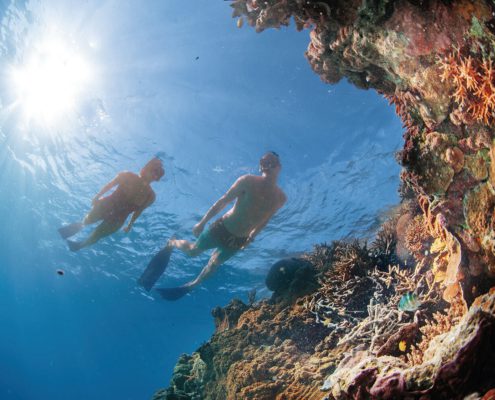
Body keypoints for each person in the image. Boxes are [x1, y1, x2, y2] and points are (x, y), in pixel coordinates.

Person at [150, 152, 286, 300]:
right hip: (221, 228)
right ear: (260, 167)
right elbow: (223, 201)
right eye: (263, 162)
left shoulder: (280, 198)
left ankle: (192, 285)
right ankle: (172, 242)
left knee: (214, 264)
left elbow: (264, 220)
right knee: (193, 252)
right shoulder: (247, 180)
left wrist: (251, 238)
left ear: (279, 167)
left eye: (272, 161)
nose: (267, 164)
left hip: (238, 240)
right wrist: (202, 222)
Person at [58, 158, 164, 251]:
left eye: (158, 174)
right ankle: (76, 228)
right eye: (154, 170)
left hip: (118, 220)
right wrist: (97, 196)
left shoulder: (150, 196)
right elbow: (110, 185)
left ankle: (78, 246)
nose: (155, 174)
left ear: (157, 179)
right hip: (106, 205)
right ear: (145, 168)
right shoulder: (127, 175)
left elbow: (139, 211)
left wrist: (130, 224)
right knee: (88, 220)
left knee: (97, 234)